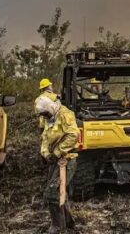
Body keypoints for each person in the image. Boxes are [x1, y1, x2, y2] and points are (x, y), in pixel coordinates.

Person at [35, 94, 80, 233]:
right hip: (55, 159)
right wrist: (46, 154)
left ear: (50, 108)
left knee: (51, 193)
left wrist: (57, 153)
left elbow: (73, 135)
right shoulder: (47, 117)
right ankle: (68, 222)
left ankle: (58, 227)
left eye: (45, 113)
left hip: (67, 158)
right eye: (42, 115)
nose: (44, 116)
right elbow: (45, 138)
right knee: (59, 191)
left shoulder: (64, 114)